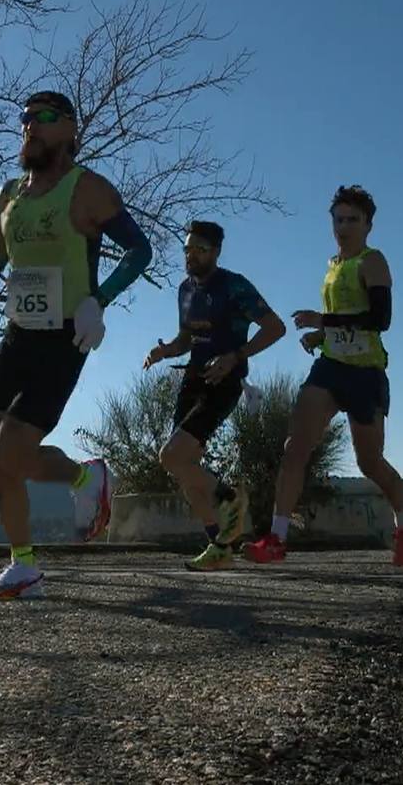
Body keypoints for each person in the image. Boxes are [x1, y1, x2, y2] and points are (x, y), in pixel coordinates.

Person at [0, 91, 153, 600]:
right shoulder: (10, 195)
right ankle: (23, 565)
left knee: (10, 452)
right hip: (19, 334)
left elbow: (140, 250)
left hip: (65, 335)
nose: (31, 127)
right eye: (25, 119)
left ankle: (84, 480)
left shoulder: (86, 188)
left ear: (70, 130)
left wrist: (100, 299)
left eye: (45, 118)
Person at [242, 186, 403, 567]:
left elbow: (379, 320)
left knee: (369, 463)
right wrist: (321, 336)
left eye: (352, 220)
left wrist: (324, 321)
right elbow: (344, 319)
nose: (343, 227)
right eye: (338, 219)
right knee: (295, 448)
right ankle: (276, 538)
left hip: (366, 373)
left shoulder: (373, 262)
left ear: (368, 225)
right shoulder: (333, 266)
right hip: (329, 367)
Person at [144, 221, 285, 572]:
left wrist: (236, 356)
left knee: (172, 456)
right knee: (182, 468)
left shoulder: (234, 286)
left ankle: (230, 499)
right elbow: (185, 339)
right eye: (188, 249)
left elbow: (275, 327)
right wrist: (165, 351)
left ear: (216, 252)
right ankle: (219, 544)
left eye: (200, 250)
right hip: (192, 381)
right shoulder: (184, 290)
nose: (191, 255)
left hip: (224, 381)